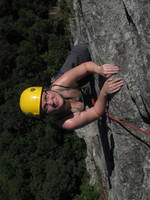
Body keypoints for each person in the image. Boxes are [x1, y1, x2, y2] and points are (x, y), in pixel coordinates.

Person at [20, 44, 124, 130]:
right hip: (79, 93)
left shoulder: (60, 84)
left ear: (46, 90)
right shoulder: (67, 122)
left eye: (46, 97)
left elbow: (86, 67)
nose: (51, 102)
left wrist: (99, 69)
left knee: (82, 50)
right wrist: (104, 93)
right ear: (45, 114)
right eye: (46, 107)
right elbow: (97, 112)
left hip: (67, 83)